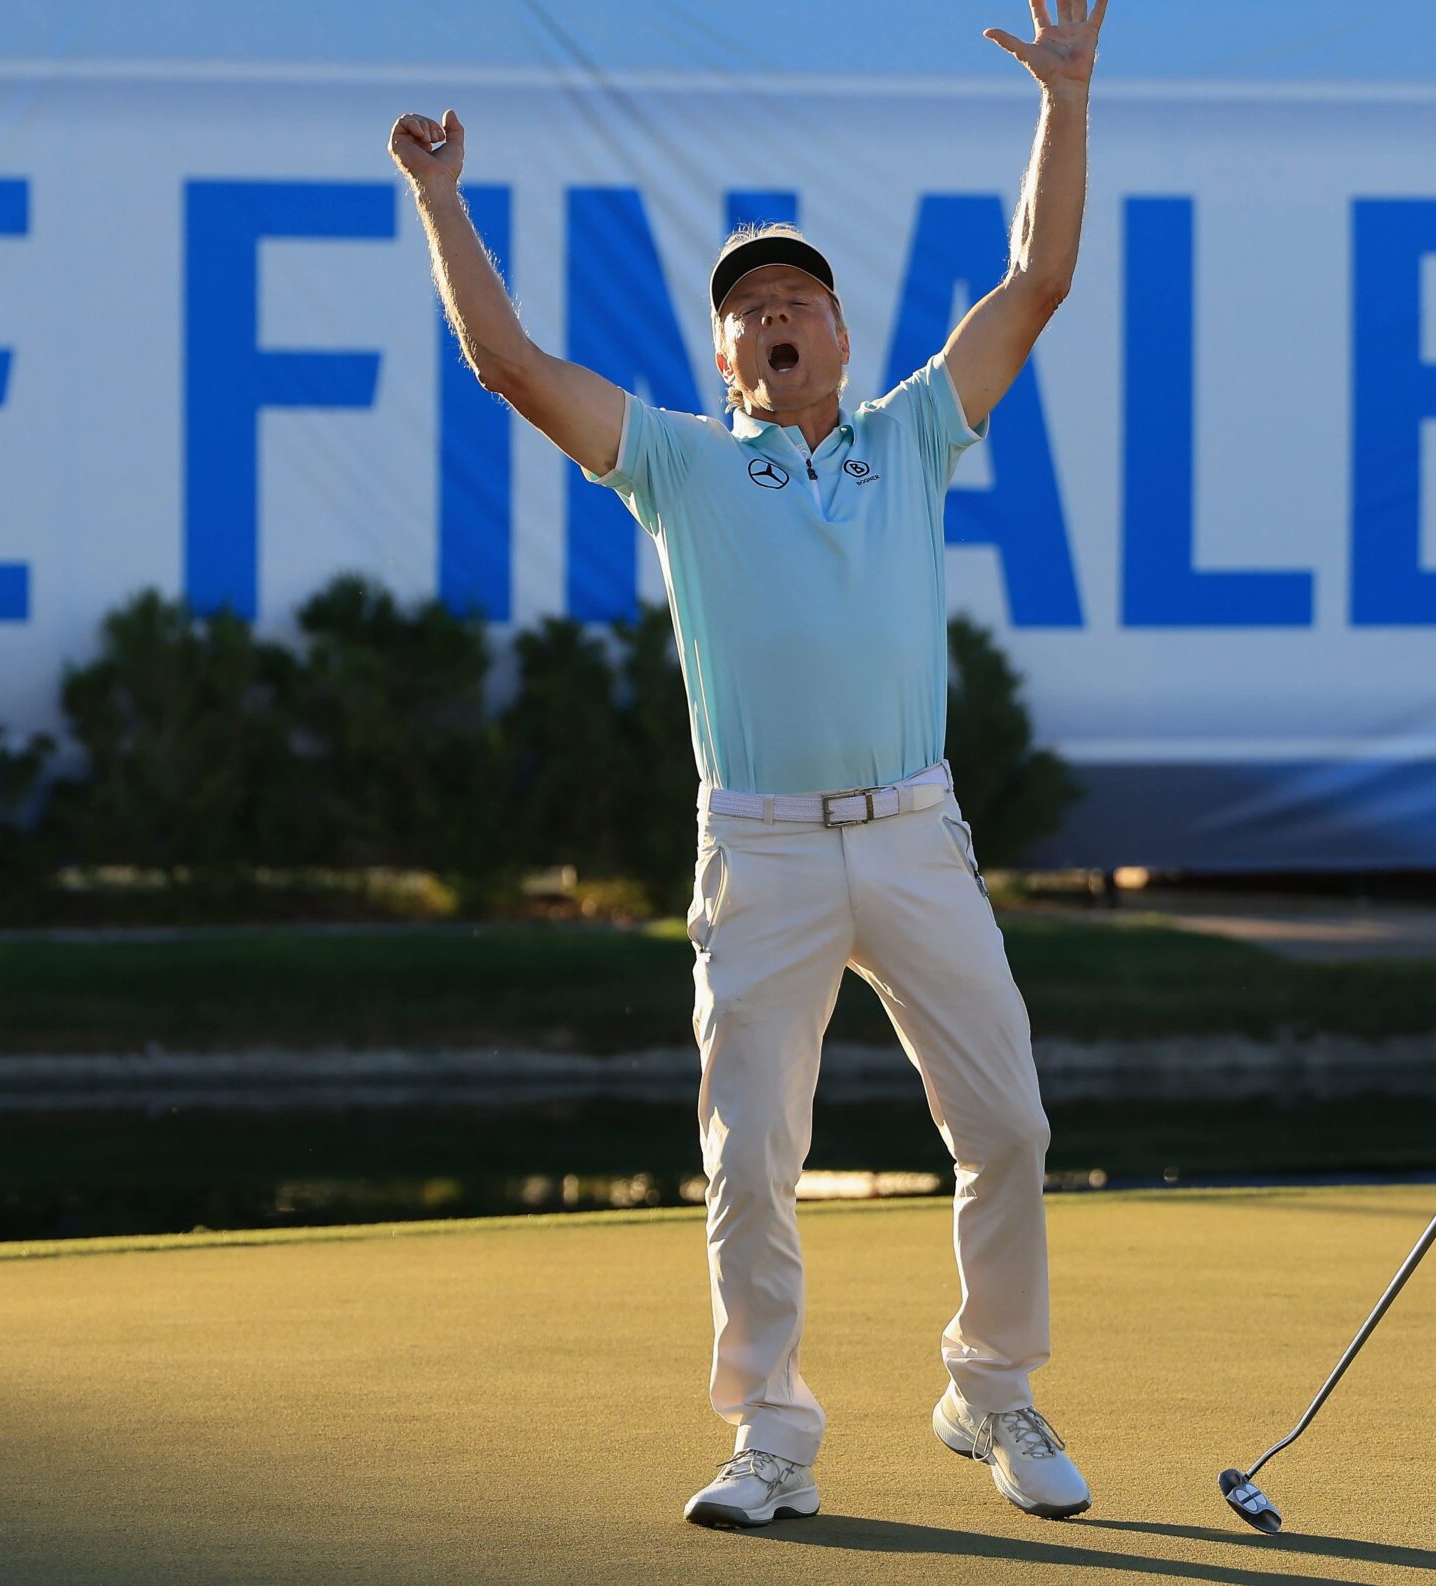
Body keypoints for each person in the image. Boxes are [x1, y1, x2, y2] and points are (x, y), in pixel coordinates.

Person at [389, 0, 1108, 1531]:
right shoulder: (682, 461)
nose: (777, 312)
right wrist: (445, 205)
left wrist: (1065, 95)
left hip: (914, 835)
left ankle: (990, 1391)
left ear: (841, 335)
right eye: (750, 305)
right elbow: (509, 362)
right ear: (728, 355)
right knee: (752, 1164)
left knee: (1010, 1129)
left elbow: (1039, 278)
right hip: (764, 853)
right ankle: (771, 1432)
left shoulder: (914, 435)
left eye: (801, 295)